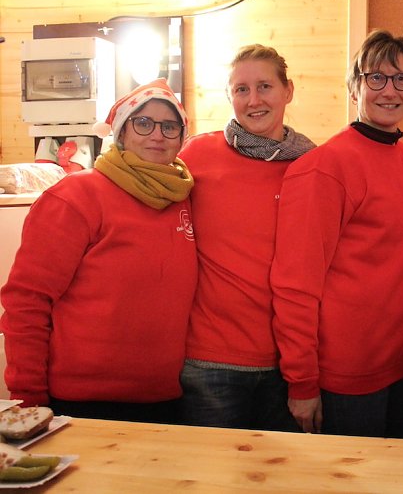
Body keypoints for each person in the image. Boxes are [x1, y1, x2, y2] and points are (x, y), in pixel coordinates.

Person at [0, 79, 196, 424]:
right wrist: (28, 397)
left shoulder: (182, 195)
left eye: (170, 126)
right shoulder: (76, 197)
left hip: (166, 398)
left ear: (182, 138)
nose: (157, 135)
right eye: (143, 123)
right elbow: (27, 301)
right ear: (121, 132)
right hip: (82, 401)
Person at [271, 29, 403, 437]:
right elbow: (296, 284)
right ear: (354, 87)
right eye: (375, 77)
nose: (389, 90)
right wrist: (302, 381)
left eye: (401, 79)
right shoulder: (325, 167)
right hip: (345, 377)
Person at [179, 44, 314, 431]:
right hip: (210, 364)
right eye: (241, 89)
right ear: (230, 96)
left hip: (286, 365)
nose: (254, 100)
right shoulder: (197, 155)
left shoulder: (311, 165)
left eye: (264, 86)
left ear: (288, 91)